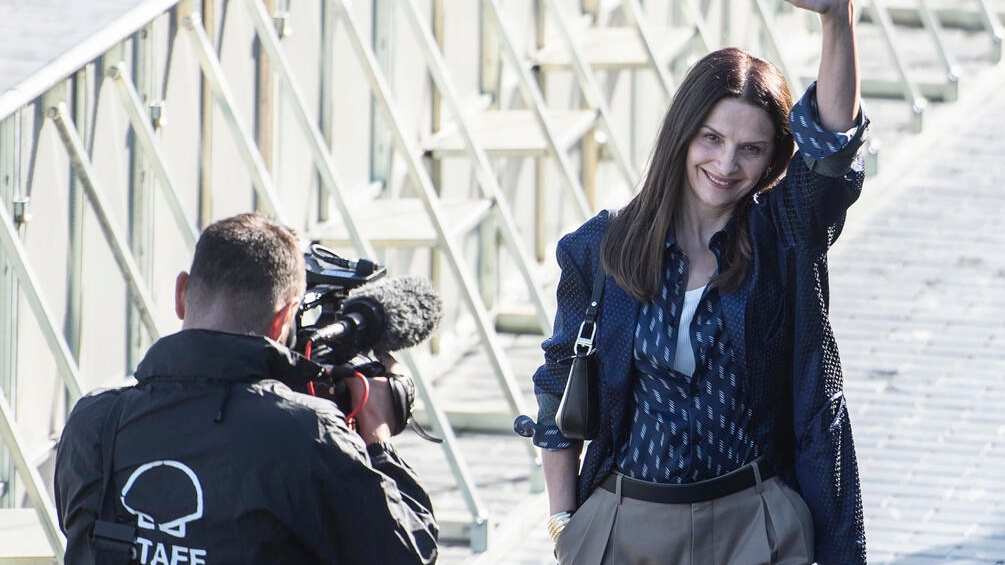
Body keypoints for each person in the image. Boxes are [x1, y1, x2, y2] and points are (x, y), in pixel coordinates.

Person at [530, 0, 868, 563]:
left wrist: (838, 19)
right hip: (627, 522)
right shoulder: (601, 248)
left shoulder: (782, 237)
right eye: (711, 138)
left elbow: (831, 149)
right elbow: (557, 387)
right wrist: (565, 523)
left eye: (751, 149)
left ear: (771, 160)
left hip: (752, 524)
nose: (726, 163)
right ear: (681, 135)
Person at [54, 212, 438, 565]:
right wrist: (377, 439)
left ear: (182, 294)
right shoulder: (308, 435)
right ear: (284, 319)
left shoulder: (94, 423)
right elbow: (412, 554)